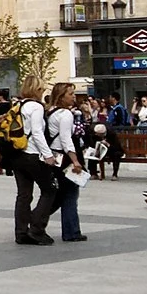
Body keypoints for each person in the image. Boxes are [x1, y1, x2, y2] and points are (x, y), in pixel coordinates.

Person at [0, 84, 63, 246]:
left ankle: (21, 232)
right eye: (41, 89)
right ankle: (36, 228)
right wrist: (48, 155)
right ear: (37, 90)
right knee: (49, 190)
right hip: (32, 154)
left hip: (17, 154)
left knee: (24, 194)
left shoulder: (18, 105)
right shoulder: (36, 107)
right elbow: (37, 132)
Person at [44, 83, 88, 242]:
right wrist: (75, 160)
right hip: (65, 157)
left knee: (59, 194)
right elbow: (65, 139)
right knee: (70, 194)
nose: (73, 96)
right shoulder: (66, 114)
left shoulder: (51, 112)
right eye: (70, 94)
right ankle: (71, 231)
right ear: (61, 97)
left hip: (55, 156)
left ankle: (36, 219)